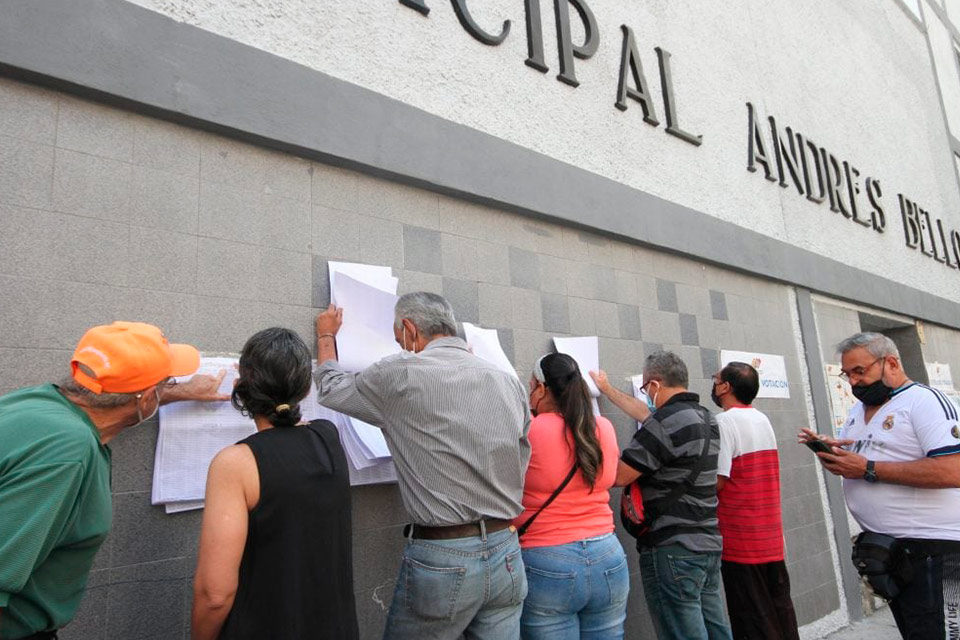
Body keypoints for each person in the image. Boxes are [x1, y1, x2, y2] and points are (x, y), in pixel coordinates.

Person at [314, 292, 530, 640]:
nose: (401, 345)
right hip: (507, 551)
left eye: (400, 338)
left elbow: (332, 388)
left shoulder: (400, 372)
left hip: (445, 558)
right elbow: (520, 452)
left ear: (411, 329)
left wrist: (326, 337)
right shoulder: (507, 381)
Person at [0, 321, 227, 640]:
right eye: (167, 382)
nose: (168, 387)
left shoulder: (35, 404)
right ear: (146, 398)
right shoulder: (69, 455)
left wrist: (175, 393)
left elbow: (116, 403)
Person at [191, 327, 358, 640]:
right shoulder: (328, 437)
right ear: (306, 390)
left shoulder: (235, 463)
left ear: (243, 384)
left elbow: (215, 595)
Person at [799, 332, 960, 640]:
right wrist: (838, 456)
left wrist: (868, 468)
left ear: (891, 362)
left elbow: (954, 470)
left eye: (860, 371)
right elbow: (869, 462)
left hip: (938, 553)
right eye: (847, 375)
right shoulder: (858, 412)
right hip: (894, 552)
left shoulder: (924, 402)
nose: (854, 382)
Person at [592, 351, 732, 640]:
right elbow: (646, 414)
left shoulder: (665, 423)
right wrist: (606, 389)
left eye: (645, 389)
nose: (645, 395)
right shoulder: (705, 418)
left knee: (682, 633)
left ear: (654, 385)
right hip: (707, 544)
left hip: (673, 548)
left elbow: (619, 475)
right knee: (716, 629)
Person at [515, 353, 629, 639]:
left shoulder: (531, 430)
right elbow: (611, 477)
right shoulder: (603, 427)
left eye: (531, 387)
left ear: (541, 388)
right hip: (608, 554)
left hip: (546, 559)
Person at [711, 362, 798, 640]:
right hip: (770, 539)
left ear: (726, 387)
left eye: (717, 380)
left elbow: (719, 480)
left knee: (752, 620)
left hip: (742, 540)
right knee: (780, 613)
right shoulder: (762, 419)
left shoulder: (724, 421)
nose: (714, 384)